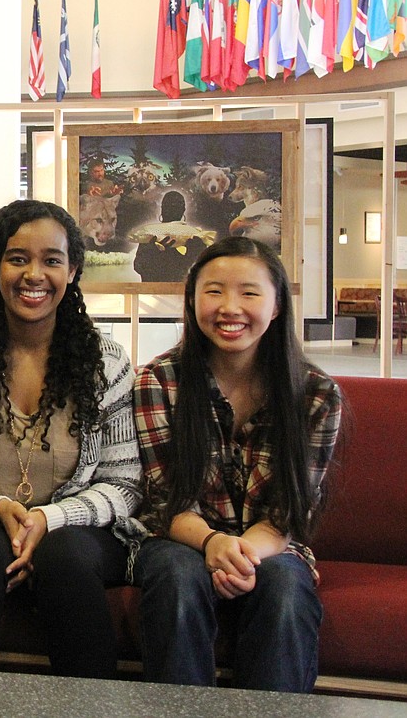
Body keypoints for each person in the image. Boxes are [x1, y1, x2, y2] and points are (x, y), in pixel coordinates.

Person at [0, 200, 143, 677]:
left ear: (73, 271)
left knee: (64, 557)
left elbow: (124, 485)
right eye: (17, 258)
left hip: (82, 531)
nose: (33, 274)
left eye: (51, 260)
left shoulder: (107, 363)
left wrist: (48, 518)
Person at [132, 236, 343, 692]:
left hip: (271, 544)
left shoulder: (316, 394)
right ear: (192, 301)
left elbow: (291, 513)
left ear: (277, 305)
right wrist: (211, 543)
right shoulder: (159, 380)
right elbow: (164, 501)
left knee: (285, 589)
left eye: (249, 293)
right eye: (213, 291)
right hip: (180, 539)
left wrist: (239, 555)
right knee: (177, 578)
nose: (230, 307)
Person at [133, 189, 205, 282]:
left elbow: (200, 272)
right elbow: (139, 267)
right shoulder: (152, 234)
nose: (172, 209)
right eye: (169, 206)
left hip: (181, 293)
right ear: (162, 209)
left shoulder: (193, 238)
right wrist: (154, 252)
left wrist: (191, 254)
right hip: (153, 292)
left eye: (176, 206)